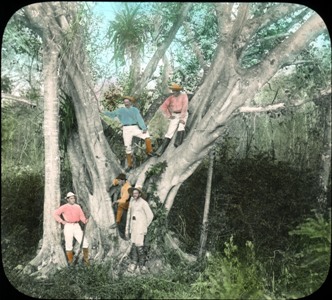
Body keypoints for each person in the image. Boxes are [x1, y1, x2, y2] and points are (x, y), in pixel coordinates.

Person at [102, 96, 155, 171]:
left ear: (130, 102)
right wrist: (103, 112)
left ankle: (149, 151)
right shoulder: (120, 110)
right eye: (125, 102)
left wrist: (143, 128)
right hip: (126, 129)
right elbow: (112, 114)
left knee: (146, 135)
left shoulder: (134, 110)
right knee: (127, 146)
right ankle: (129, 165)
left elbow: (139, 118)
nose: (126, 103)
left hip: (134, 127)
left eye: (127, 101)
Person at [53, 192, 89, 266]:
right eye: (71, 198)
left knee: (85, 242)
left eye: (74, 198)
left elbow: (81, 215)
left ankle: (86, 262)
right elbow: (55, 214)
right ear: (68, 199)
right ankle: (71, 262)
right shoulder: (64, 207)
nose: (73, 199)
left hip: (76, 225)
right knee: (69, 244)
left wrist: (84, 221)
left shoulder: (77, 206)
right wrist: (62, 221)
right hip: (68, 226)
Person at [125, 187, 154, 274]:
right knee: (134, 245)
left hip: (140, 227)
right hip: (134, 227)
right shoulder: (132, 202)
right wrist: (129, 228)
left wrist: (144, 225)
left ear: (140, 194)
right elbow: (131, 216)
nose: (135, 195)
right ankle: (134, 263)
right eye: (133, 193)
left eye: (136, 193)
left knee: (140, 245)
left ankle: (142, 265)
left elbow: (150, 215)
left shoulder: (143, 203)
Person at [155, 83, 189, 156]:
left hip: (183, 113)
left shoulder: (184, 96)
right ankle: (161, 150)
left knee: (181, 126)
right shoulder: (171, 97)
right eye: (173, 91)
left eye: (175, 91)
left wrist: (182, 118)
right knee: (169, 132)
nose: (174, 92)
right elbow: (163, 107)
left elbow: (185, 107)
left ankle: (178, 143)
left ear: (179, 91)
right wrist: (169, 115)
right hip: (175, 115)